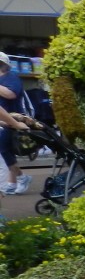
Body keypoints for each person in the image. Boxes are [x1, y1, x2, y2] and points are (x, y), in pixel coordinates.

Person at [0, 53, 31, 195]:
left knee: (5, 150)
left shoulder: (10, 77)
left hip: (12, 120)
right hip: (4, 120)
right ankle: (12, 183)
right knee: (7, 151)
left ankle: (21, 177)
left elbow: (11, 94)